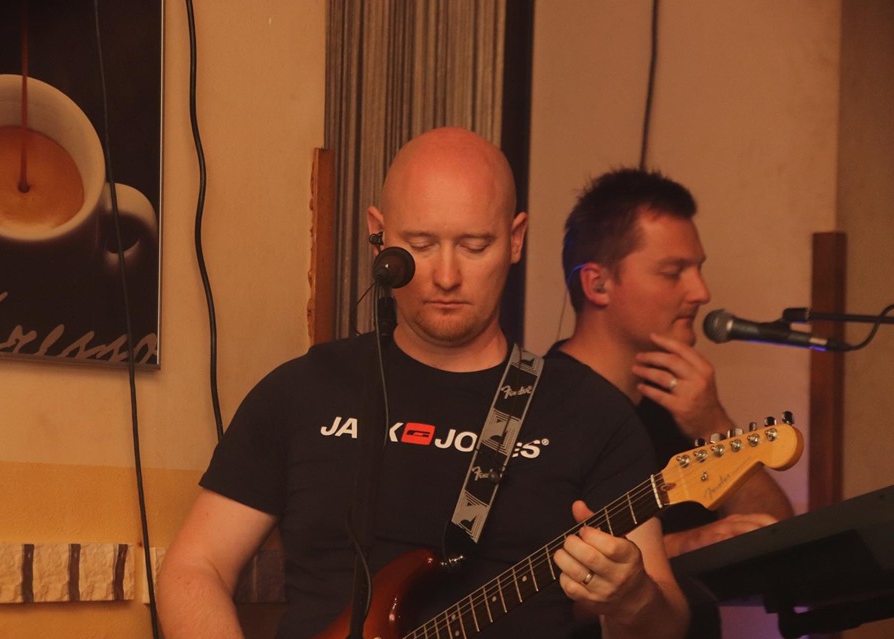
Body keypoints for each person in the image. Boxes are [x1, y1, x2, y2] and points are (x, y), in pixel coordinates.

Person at [156, 128, 689, 639]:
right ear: (380, 236)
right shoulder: (302, 391)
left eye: (474, 246)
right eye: (422, 244)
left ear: (515, 239)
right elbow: (194, 567)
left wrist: (634, 598)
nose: (447, 276)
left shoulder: (592, 416)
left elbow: (666, 622)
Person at [553, 167, 795, 559]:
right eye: (673, 272)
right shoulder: (541, 406)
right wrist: (680, 545)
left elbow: (775, 535)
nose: (701, 292)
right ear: (597, 284)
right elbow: (527, 564)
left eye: (699, 269)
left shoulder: (671, 402)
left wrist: (713, 424)